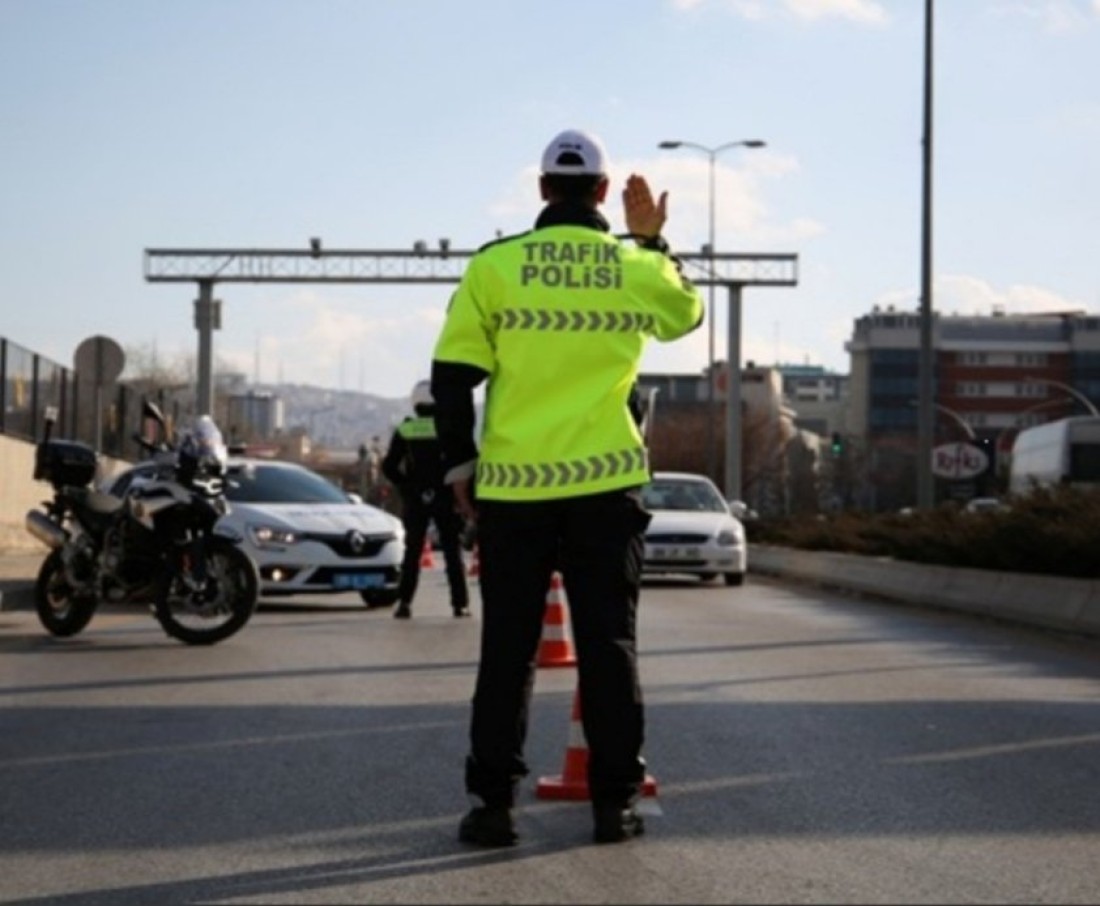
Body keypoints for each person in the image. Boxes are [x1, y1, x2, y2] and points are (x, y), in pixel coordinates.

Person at [429, 128, 704, 846]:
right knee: (609, 646)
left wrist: (461, 468)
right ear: (606, 193)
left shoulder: (496, 266)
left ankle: (493, 806)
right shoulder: (632, 264)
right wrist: (652, 242)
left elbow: (453, 377)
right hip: (606, 489)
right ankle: (614, 806)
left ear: (544, 189)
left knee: (507, 651)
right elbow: (685, 317)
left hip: (514, 494)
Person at [380, 380, 470, 618]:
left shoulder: (407, 428)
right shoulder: (448, 428)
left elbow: (389, 466)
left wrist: (407, 487)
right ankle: (459, 604)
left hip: (417, 498)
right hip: (445, 497)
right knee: (452, 551)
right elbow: (463, 464)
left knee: (413, 552)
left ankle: (404, 603)